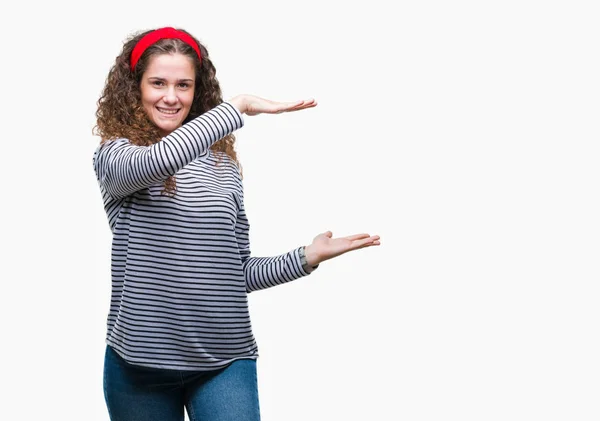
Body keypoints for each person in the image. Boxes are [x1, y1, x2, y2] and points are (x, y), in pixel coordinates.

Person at [93, 26, 381, 421]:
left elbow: (235, 273)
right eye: (157, 82)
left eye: (184, 84)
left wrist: (306, 257)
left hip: (224, 361)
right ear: (135, 87)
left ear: (198, 92)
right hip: (139, 366)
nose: (171, 97)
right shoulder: (116, 157)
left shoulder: (223, 167)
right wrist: (237, 108)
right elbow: (156, 162)